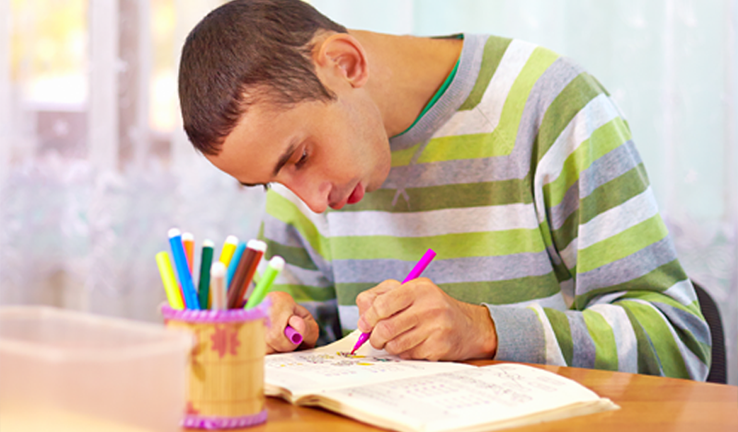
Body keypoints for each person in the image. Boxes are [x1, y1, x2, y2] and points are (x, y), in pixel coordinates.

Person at [178, 0, 711, 379]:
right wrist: (272, 331)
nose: (310, 202)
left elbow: (679, 343)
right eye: (269, 182)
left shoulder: (548, 105)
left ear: (345, 64)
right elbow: (308, 354)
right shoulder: (295, 174)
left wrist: (486, 330)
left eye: (300, 158)